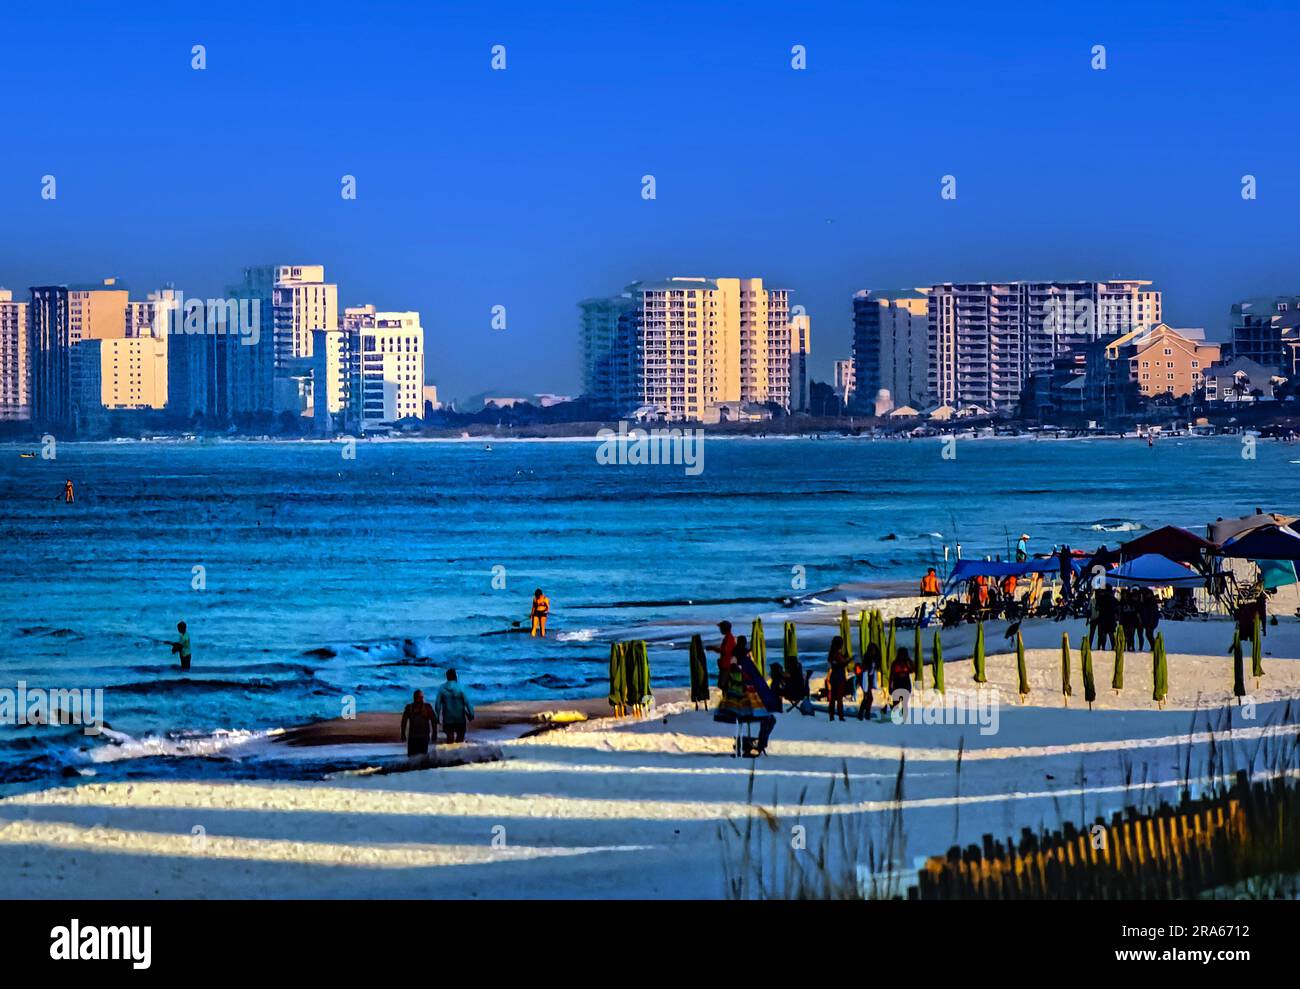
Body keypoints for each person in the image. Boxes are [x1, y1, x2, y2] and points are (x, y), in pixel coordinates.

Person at [434, 668, 475, 743]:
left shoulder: (442, 688)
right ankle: (458, 753)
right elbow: (467, 703)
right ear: (456, 676)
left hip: (448, 718)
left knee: (450, 739)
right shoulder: (460, 688)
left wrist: (437, 717)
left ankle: (450, 753)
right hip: (460, 718)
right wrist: (471, 714)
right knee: (460, 738)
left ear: (447, 677)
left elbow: (437, 704)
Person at [400, 689, 437, 757]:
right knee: (412, 757)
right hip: (413, 737)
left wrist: (434, 733)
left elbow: (433, 720)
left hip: (423, 737)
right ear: (414, 698)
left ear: (422, 698)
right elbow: (404, 721)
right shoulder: (409, 707)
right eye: (417, 697)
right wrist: (402, 733)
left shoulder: (427, 707)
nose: (418, 699)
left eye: (419, 697)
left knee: (421, 756)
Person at [826, 635, 850, 722]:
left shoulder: (831, 653)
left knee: (833, 697)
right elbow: (843, 663)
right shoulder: (837, 654)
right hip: (839, 677)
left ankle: (831, 715)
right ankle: (840, 716)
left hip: (833, 676)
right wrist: (849, 659)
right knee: (839, 697)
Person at [706, 621, 737, 691]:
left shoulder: (729, 638)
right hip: (725, 665)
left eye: (721, 628)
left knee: (722, 685)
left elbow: (724, 651)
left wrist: (712, 648)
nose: (720, 630)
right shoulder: (728, 638)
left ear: (724, 629)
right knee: (724, 685)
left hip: (726, 666)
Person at [887, 646, 914, 718]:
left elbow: (912, 670)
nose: (902, 655)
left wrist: (908, 662)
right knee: (896, 701)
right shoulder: (895, 663)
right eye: (901, 654)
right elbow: (891, 676)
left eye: (904, 654)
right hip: (897, 683)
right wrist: (890, 686)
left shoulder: (908, 662)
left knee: (904, 701)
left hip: (906, 683)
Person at [857, 642, 881, 721]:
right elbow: (864, 668)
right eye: (872, 650)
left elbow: (875, 669)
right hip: (864, 678)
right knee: (868, 697)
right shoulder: (867, 657)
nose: (874, 651)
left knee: (868, 698)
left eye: (874, 650)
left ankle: (864, 713)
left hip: (869, 679)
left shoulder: (875, 658)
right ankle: (863, 713)